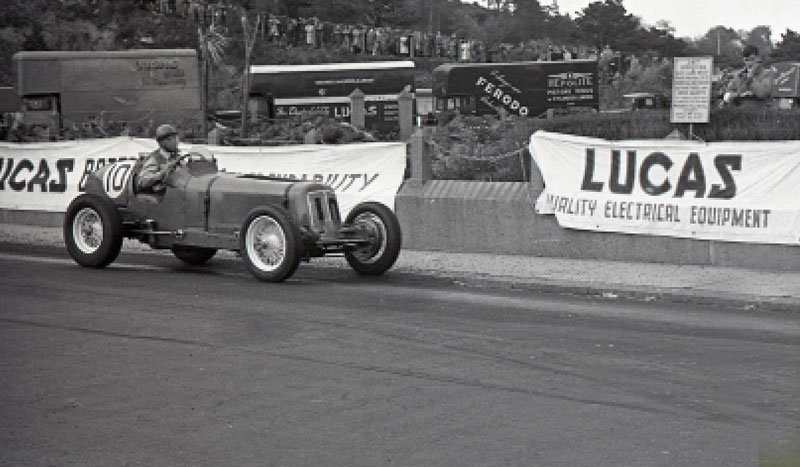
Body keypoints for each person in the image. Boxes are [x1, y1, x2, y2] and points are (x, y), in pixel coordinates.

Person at [137, 124, 181, 193]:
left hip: (178, 192)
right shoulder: (154, 159)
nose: (175, 141)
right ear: (162, 142)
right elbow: (142, 181)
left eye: (176, 138)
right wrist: (162, 173)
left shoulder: (177, 157)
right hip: (161, 196)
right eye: (170, 139)